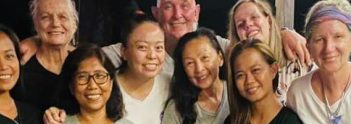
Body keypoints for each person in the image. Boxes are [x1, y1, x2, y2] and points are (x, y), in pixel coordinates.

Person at [21, 0, 311, 79]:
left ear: (197, 12)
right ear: (156, 13)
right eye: (169, 6)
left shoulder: (217, 48)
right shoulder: (131, 51)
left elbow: (250, 45)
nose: (178, 14)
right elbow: (85, 57)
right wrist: (41, 42)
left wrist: (282, 32)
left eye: (185, 5)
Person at [228, 0, 310, 105]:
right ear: (237, 35)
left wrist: (285, 32)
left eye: (254, 17)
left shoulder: (298, 56)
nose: (248, 24)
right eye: (240, 24)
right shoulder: (235, 70)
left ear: (269, 22)